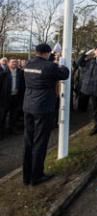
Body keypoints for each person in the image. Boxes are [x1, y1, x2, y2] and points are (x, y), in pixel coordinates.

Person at [23, 43, 69, 186]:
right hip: (42, 108)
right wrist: (60, 61)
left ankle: (26, 176)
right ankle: (37, 176)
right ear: (47, 53)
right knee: (40, 142)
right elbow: (65, 73)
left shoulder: (29, 64)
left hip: (28, 105)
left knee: (28, 141)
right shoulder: (50, 67)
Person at [1, 58, 25, 135]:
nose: (14, 64)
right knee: (3, 115)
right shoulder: (3, 73)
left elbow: (23, 85)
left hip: (16, 97)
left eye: (15, 62)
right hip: (5, 97)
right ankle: (2, 132)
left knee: (14, 114)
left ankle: (12, 130)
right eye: (12, 62)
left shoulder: (21, 73)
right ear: (8, 64)